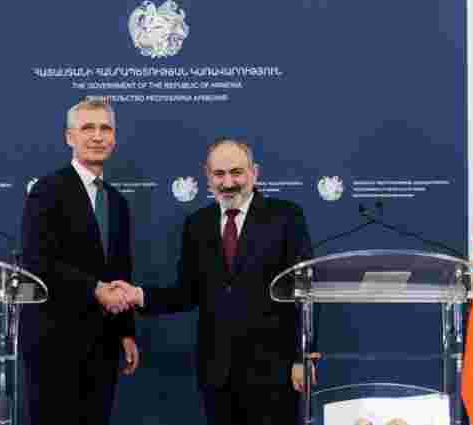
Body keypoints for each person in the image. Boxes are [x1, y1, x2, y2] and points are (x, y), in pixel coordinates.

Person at [113, 138, 314, 425]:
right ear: (207, 176)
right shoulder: (198, 224)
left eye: (236, 172)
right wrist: (139, 296)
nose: (228, 182)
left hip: (276, 372)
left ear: (254, 173)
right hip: (217, 374)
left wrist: (302, 357)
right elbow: (187, 293)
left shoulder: (286, 217)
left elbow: (305, 291)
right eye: (219, 174)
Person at [20, 99, 139, 425]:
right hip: (54, 342)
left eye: (105, 128)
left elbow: (121, 271)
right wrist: (95, 288)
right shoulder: (47, 190)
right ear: (69, 137)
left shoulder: (118, 202)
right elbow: (36, 260)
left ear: (114, 138)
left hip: (103, 343)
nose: (98, 136)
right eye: (88, 128)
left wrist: (126, 332)